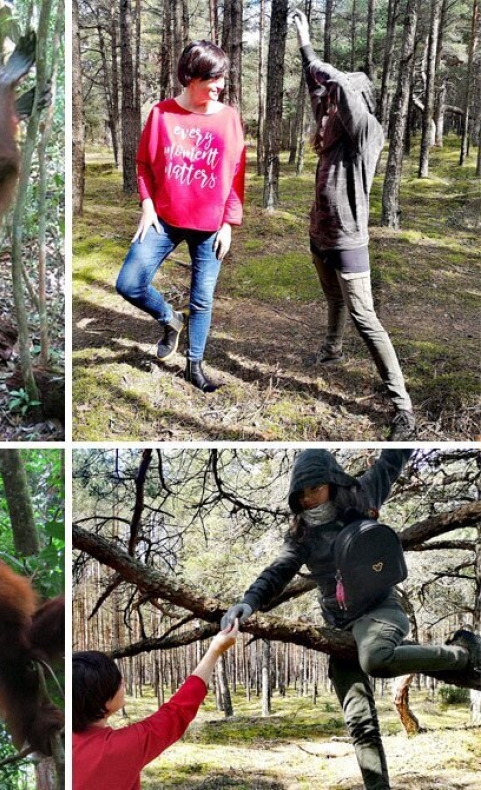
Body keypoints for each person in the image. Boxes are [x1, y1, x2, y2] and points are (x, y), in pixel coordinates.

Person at [222, 448, 481, 790]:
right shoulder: (301, 535)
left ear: (332, 482)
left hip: (381, 610)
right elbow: (277, 572)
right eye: (301, 494)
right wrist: (248, 602)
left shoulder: (362, 494)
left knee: (374, 658)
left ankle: (461, 653)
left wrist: (404, 428)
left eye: (314, 489)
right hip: (339, 626)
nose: (309, 499)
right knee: (359, 721)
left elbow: (392, 461)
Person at [289, 10, 415, 440]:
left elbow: (338, 85)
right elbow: (320, 85)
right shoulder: (330, 126)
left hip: (348, 237)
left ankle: (402, 406)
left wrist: (329, 70)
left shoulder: (366, 133)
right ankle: (331, 350)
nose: (323, 104)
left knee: (365, 316)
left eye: (331, 101)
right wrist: (305, 43)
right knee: (332, 298)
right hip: (319, 232)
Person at [115, 41, 246, 393]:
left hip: (210, 227)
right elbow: (143, 163)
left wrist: (229, 224)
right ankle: (169, 319)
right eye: (213, 79)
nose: (220, 86)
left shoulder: (229, 119)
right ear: (192, 77)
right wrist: (147, 205)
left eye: (222, 78)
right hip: (165, 219)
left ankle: (194, 365)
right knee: (128, 283)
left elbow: (236, 174)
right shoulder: (162, 114)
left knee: (202, 300)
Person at [72, 621, 238, 790]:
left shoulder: (63, 741)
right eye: (116, 681)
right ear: (101, 701)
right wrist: (215, 650)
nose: (122, 681)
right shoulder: (120, 748)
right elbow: (178, 711)